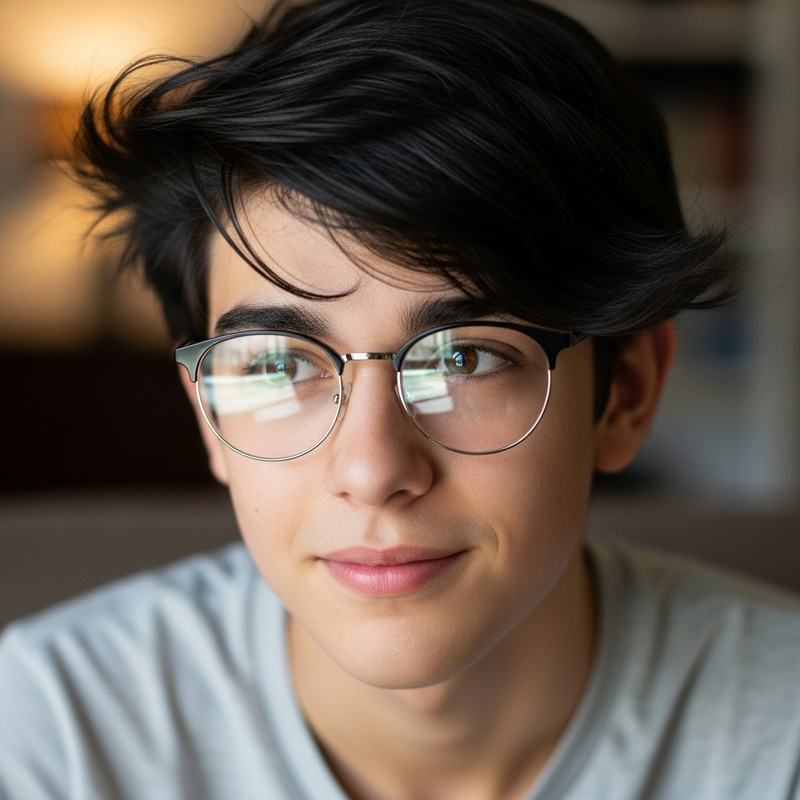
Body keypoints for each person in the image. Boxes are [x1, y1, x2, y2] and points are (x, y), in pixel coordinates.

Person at [1, 1, 799, 798]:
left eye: (465, 357)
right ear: (208, 412)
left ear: (625, 391)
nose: (373, 468)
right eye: (279, 366)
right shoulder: (53, 732)